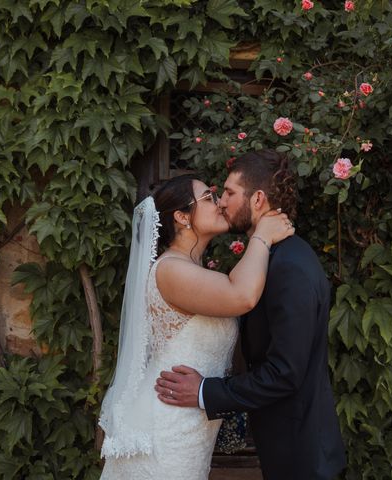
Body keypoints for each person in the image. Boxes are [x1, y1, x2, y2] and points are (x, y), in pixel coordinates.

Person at [155, 150, 347, 479]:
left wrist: (206, 392)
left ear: (257, 199)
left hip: (302, 453)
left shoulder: (289, 267)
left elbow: (285, 372)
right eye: (215, 196)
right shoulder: (266, 261)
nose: (221, 203)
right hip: (276, 443)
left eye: (229, 193)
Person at [98, 173, 294, 480]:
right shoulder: (172, 270)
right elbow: (242, 295)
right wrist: (262, 236)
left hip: (190, 426)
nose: (219, 204)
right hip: (166, 429)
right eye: (208, 198)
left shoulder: (189, 268)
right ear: (181, 216)